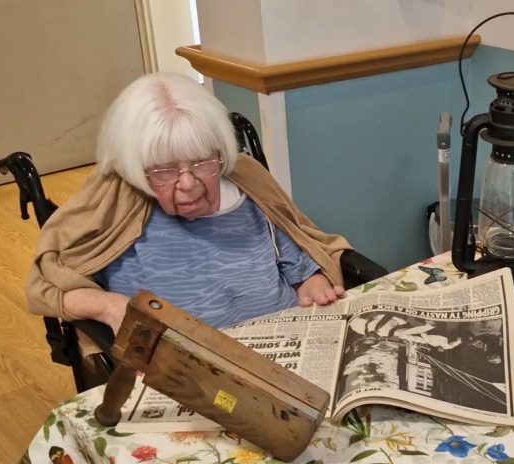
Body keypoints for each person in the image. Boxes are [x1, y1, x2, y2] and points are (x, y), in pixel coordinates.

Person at [26, 72, 352, 333]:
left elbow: (298, 255)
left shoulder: (246, 180)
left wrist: (313, 284)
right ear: (136, 169)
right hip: (182, 370)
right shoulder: (115, 198)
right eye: (164, 171)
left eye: (202, 163)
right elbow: (48, 284)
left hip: (284, 341)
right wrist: (108, 306)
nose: (188, 184)